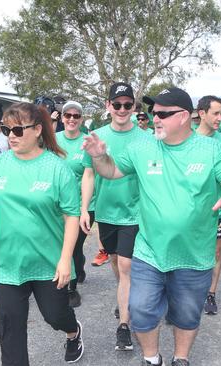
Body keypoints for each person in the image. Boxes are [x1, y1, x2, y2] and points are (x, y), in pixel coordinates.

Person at [83, 86, 221, 366]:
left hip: (193, 254)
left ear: (183, 116)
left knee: (186, 314)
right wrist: (99, 156)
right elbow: (111, 171)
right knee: (141, 309)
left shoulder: (212, 149)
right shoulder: (141, 147)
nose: (154, 118)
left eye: (162, 113)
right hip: (149, 251)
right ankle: (151, 358)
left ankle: (180, 358)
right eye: (152, 112)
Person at [0, 102, 84, 365]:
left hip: (48, 262)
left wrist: (66, 259)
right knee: (10, 330)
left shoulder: (57, 168)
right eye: (7, 130)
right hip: (6, 263)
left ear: (38, 130)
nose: (11, 136)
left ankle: (72, 332)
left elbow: (71, 216)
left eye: (18, 130)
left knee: (55, 315)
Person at [80, 82, 147, 352]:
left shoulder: (146, 138)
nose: (122, 109)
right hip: (107, 213)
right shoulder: (96, 136)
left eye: (127, 105)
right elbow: (89, 173)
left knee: (127, 267)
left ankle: (124, 326)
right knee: (118, 265)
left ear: (134, 107)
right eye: (116, 104)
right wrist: (85, 208)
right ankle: (125, 300)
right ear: (108, 106)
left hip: (135, 213)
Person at [194, 95, 221, 315]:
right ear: (202, 113)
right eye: (216, 113)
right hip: (191, 209)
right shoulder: (187, 138)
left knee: (216, 251)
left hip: (216, 207)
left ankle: (210, 293)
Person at [55, 101, 93, 308]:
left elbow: (89, 174)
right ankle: (68, 276)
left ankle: (71, 287)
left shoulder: (86, 143)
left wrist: (84, 208)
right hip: (58, 205)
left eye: (76, 116)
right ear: (62, 118)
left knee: (75, 245)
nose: (71, 119)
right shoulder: (53, 140)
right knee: (62, 243)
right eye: (67, 115)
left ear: (81, 119)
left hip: (82, 204)